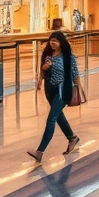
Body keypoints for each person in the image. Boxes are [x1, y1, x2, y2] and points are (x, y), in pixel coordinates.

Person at [28, 31, 81, 163]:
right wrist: (40, 79)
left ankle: (40, 151)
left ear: (61, 42)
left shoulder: (68, 56)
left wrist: (79, 89)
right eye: (51, 40)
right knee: (58, 116)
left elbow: (75, 72)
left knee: (51, 119)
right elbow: (42, 69)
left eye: (56, 41)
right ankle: (72, 137)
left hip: (64, 90)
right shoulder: (47, 54)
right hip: (50, 89)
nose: (53, 43)